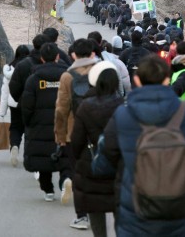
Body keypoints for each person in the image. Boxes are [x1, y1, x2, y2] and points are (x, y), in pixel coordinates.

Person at [97, 54, 185, 237]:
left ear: (136, 80)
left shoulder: (123, 114)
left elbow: (102, 165)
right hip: (180, 207)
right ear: (167, 79)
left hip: (134, 209)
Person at [71, 62, 123, 237]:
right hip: (118, 165)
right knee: (120, 210)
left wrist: (78, 159)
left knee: (95, 211)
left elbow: (77, 140)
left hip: (92, 162)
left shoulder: (85, 106)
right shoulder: (122, 106)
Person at [54, 38, 97, 230]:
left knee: (78, 174)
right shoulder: (104, 71)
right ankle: (101, 212)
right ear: (93, 54)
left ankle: (82, 217)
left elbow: (61, 110)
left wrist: (60, 137)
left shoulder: (67, 76)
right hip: (102, 133)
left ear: (73, 55)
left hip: (75, 134)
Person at [21, 42, 70, 201]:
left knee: (43, 157)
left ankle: (48, 190)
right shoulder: (68, 77)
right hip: (63, 123)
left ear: (41, 58)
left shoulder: (33, 79)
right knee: (65, 156)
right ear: (57, 57)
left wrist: (28, 122)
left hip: (39, 125)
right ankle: (65, 182)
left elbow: (27, 106)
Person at [9, 34, 50, 162]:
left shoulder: (23, 64)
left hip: (21, 102)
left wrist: (18, 99)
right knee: (32, 130)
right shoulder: (51, 63)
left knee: (16, 126)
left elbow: (14, 85)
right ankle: (32, 154)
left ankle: (15, 146)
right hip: (42, 104)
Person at [0, 44, 30, 167]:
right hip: (29, 102)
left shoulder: (9, 69)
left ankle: (15, 146)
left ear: (16, 54)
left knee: (16, 127)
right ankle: (29, 153)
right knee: (29, 127)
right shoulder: (31, 66)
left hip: (14, 103)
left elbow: (5, 92)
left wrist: (2, 113)